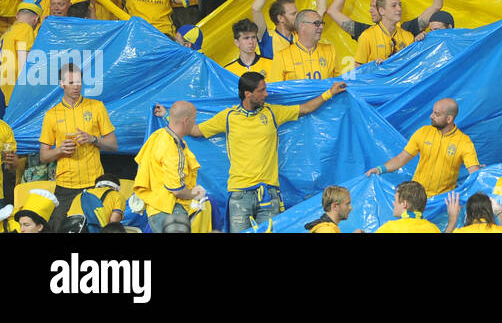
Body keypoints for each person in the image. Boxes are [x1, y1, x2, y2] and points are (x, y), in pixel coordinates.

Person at [164, 71, 346, 232]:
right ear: (247, 93)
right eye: (261, 90)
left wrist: (329, 93)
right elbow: (195, 131)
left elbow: (304, 109)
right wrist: (167, 116)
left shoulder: (272, 112)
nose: (266, 94)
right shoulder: (229, 117)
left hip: (269, 193)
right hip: (239, 194)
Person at [38, 62, 118, 230]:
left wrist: (93, 139)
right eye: (72, 82)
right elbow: (43, 156)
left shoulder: (97, 107)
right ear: (62, 84)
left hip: (94, 183)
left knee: (96, 228)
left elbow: (113, 145)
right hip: (65, 185)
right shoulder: (51, 115)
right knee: (58, 228)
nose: (76, 86)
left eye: (79, 82)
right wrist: (59, 150)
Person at [366, 98, 480, 197]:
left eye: (437, 114)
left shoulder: (464, 142)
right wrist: (379, 169)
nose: (431, 116)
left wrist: (481, 176)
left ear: (449, 119)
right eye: (432, 112)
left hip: (441, 201)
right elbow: (401, 159)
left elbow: (474, 173)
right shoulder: (423, 132)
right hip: (415, 197)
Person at [133, 101, 206, 233]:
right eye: (194, 119)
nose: (194, 123)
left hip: (156, 210)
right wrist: (194, 194)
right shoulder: (173, 147)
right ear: (186, 120)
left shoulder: (157, 136)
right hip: (171, 211)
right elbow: (176, 189)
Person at [375, 180, 457, 233]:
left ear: (404, 204)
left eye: (395, 200)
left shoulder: (390, 228)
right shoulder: (433, 229)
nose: (393, 203)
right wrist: (452, 220)